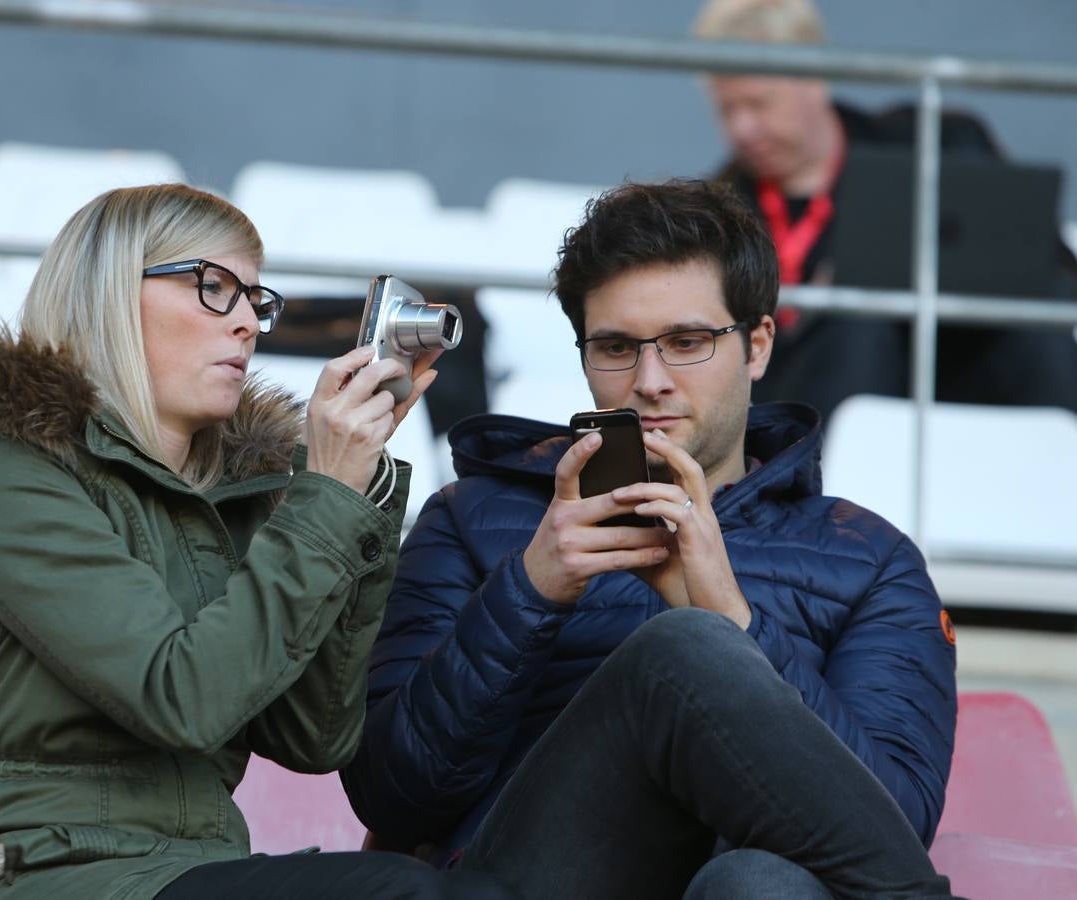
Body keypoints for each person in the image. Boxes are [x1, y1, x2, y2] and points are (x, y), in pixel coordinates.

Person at [0, 183, 514, 900]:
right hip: (20, 872)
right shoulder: (4, 465)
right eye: (215, 288)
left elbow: (314, 736)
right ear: (111, 294)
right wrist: (324, 501)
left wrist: (352, 492)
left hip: (184, 869)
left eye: (255, 298)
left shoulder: (240, 497)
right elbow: (179, 697)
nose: (248, 322)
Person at [341, 179, 958, 899]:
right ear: (583, 354)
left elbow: (896, 824)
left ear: (758, 344)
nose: (649, 380)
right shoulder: (472, 519)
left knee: (758, 883)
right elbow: (392, 797)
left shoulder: (871, 561)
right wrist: (531, 589)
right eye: (615, 347)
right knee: (683, 648)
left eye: (688, 342)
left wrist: (733, 614)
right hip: (532, 879)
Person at [692, 0, 1077, 421]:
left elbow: (1051, 267)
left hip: (963, 369)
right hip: (811, 389)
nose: (742, 128)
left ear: (814, 78)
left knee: (1038, 314)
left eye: (759, 104)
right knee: (860, 319)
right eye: (726, 109)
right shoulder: (718, 210)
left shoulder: (936, 144)